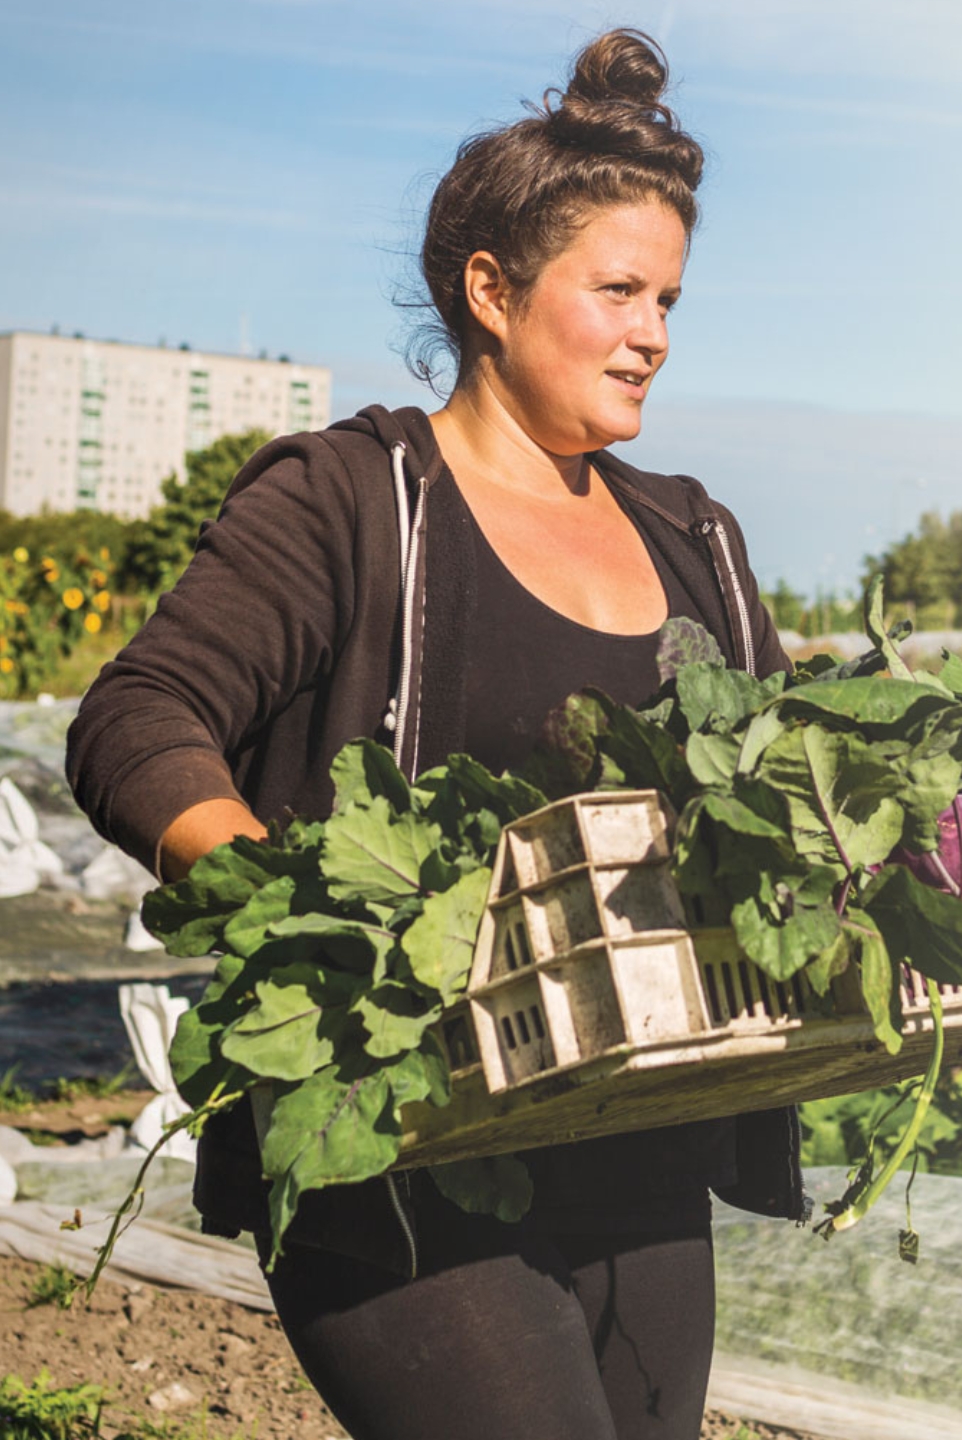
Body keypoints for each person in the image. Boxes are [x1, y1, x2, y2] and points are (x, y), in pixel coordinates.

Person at [64, 30, 798, 1440]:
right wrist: (313, 920)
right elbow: (139, 722)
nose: (654, 333)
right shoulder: (353, 503)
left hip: (632, 1138)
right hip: (397, 1137)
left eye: (671, 300)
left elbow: (778, 798)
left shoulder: (696, 537)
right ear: (491, 290)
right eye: (619, 292)